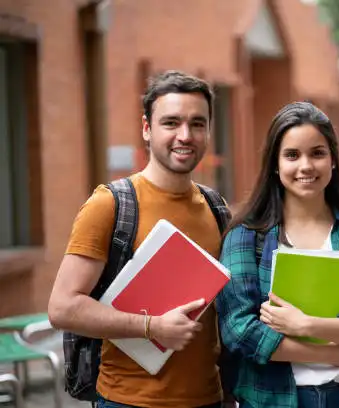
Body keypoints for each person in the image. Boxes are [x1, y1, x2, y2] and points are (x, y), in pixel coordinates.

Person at [48, 70, 230, 408]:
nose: (185, 135)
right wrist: (152, 326)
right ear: (147, 129)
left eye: (198, 123)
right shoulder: (110, 204)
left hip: (209, 399)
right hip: (127, 400)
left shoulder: (216, 208)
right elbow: (62, 308)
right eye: (171, 123)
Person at [216, 101, 339, 408]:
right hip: (273, 400)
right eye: (292, 155)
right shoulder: (246, 237)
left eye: (317, 153)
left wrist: (306, 325)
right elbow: (238, 330)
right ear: (275, 164)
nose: (306, 166)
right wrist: (333, 352)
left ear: (333, 160)